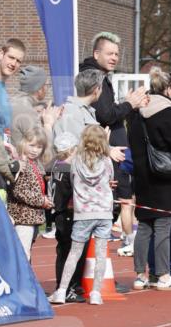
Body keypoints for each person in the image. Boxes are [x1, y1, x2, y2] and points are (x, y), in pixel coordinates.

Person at [78, 33, 146, 253]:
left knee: (116, 204)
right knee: (110, 206)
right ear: (96, 54)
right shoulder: (93, 78)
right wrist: (129, 104)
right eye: (109, 53)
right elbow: (106, 115)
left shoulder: (102, 77)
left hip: (112, 153)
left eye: (117, 53)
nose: (114, 57)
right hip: (105, 155)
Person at [127, 67, 171, 292]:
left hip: (143, 176)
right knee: (163, 224)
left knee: (144, 225)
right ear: (169, 89)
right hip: (164, 176)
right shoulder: (168, 113)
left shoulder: (136, 114)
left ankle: (139, 275)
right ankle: (163, 275)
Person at [49, 125, 114, 306]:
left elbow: (72, 181)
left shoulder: (75, 162)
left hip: (82, 213)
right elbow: (109, 179)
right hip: (103, 212)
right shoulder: (107, 162)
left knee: (74, 252)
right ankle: (95, 292)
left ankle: (62, 290)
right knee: (100, 253)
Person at [49, 131, 85, 303]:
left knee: (63, 250)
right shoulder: (68, 169)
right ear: (72, 150)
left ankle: (65, 286)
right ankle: (68, 286)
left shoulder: (56, 166)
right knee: (69, 252)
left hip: (58, 213)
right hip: (67, 213)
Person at [6, 125, 52, 261]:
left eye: (39, 147)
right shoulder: (20, 162)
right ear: (23, 142)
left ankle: (25, 279)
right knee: (22, 254)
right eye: (31, 145)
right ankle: (23, 281)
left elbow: (37, 186)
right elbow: (19, 190)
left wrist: (46, 199)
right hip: (22, 216)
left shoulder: (36, 163)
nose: (35, 150)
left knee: (26, 251)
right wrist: (41, 200)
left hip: (33, 216)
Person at [0, 38, 26, 139]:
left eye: (18, 61)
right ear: (1, 54)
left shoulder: (1, 86)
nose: (13, 64)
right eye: (11, 57)